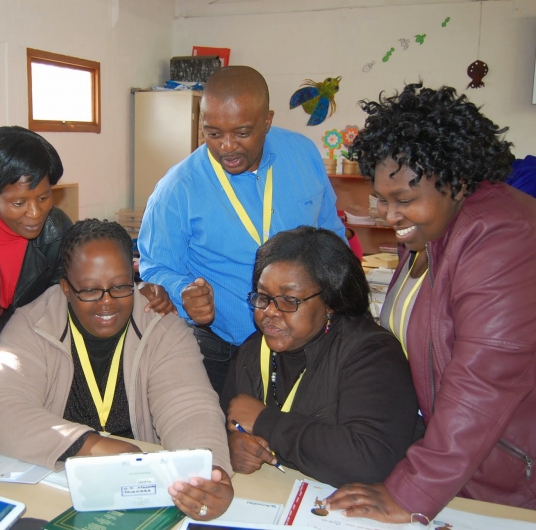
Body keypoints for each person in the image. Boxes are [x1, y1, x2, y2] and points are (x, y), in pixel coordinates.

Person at [327, 84, 536, 521]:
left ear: (456, 183)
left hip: (501, 476)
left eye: (403, 200)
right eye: (382, 199)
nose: (389, 215)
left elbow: (482, 383)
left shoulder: (501, 236)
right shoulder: (431, 230)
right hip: (450, 461)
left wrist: (411, 492)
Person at [0, 126, 173, 486]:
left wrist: (137, 289)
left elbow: (81, 289)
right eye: (19, 203)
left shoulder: (55, 227)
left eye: (44, 197)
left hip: (15, 345)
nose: (35, 213)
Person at [0, 219, 233, 521]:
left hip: (142, 489)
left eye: (120, 287)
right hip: (57, 481)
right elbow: (0, 409)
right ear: (66, 288)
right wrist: (96, 446)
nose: (107, 303)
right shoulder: (33, 324)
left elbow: (190, 408)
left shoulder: (163, 328)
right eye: (89, 290)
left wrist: (207, 473)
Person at [138, 66, 345, 395]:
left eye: (242, 132)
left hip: (308, 345)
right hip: (224, 352)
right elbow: (154, 268)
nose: (227, 147)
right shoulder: (177, 189)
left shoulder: (303, 155)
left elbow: (332, 237)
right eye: (213, 133)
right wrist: (183, 292)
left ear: (267, 121)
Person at [222, 227, 419, 487]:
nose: (269, 311)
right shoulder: (252, 350)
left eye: (289, 300)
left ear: (330, 302)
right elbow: (221, 424)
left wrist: (265, 421)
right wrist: (231, 444)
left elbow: (370, 461)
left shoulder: (373, 354)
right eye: (264, 297)